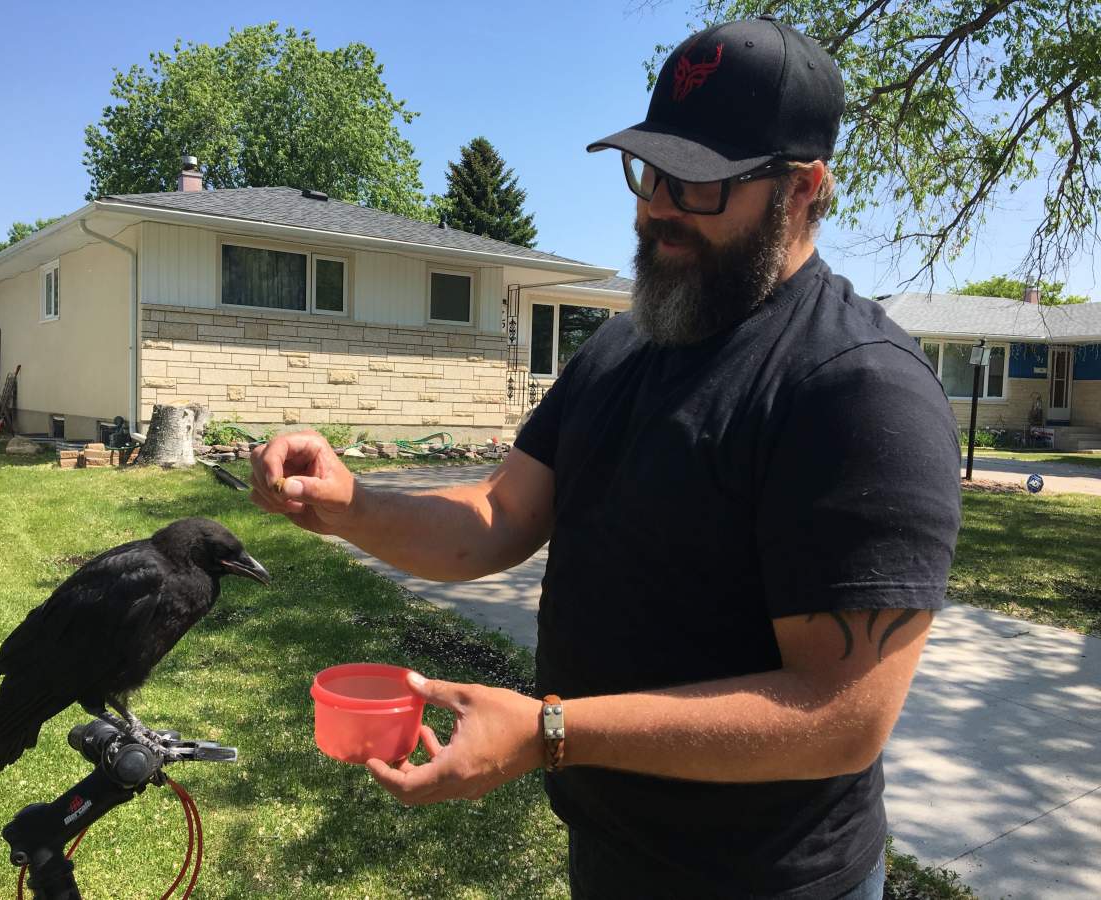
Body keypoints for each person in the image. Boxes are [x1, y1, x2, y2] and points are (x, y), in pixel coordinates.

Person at [250, 15, 961, 899]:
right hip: (612, 855)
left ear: (805, 188)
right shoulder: (625, 347)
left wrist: (552, 732)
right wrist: (351, 503)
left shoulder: (856, 387)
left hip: (770, 881)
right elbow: (498, 515)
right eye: (651, 170)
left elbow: (838, 715)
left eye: (700, 182)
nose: (659, 204)